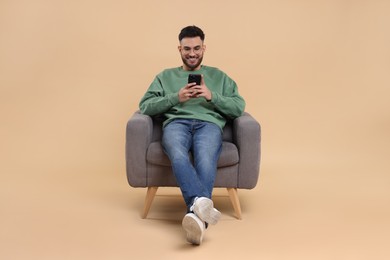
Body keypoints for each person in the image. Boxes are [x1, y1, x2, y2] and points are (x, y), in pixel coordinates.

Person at [138, 25, 245, 245]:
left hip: (209, 125)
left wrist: (211, 96)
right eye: (187, 49)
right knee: (177, 153)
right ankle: (200, 208)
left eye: (197, 48)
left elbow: (238, 108)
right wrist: (176, 97)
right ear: (179, 49)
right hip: (176, 124)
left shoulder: (219, 76)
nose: (192, 53)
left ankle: (195, 215)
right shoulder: (165, 76)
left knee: (206, 157)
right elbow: (145, 106)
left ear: (204, 48)